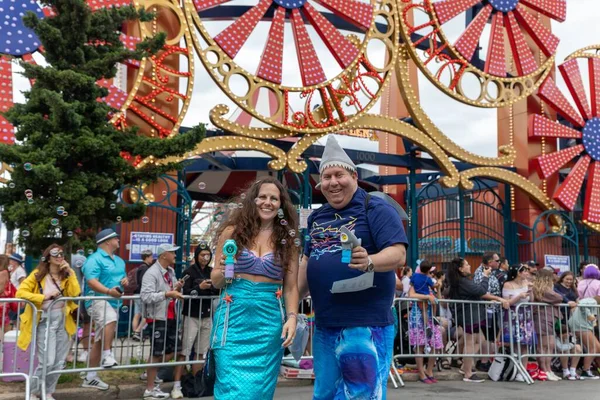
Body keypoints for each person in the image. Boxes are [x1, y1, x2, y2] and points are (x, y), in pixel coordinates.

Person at [297, 136, 407, 399]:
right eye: (326, 177)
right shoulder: (316, 216)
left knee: (361, 394)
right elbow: (306, 261)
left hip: (366, 324)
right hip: (325, 323)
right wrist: (291, 300)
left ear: (354, 176)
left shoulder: (376, 207)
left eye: (339, 175)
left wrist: (370, 261)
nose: (333, 182)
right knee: (325, 393)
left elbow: (398, 253)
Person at [211, 177, 300, 400]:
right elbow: (215, 281)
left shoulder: (288, 242)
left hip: (268, 323)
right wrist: (223, 271)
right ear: (253, 200)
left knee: (259, 391)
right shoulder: (231, 233)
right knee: (229, 388)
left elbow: (290, 288)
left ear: (281, 205)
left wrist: (292, 317)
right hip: (232, 320)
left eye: (274, 198)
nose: (267, 202)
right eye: (262, 197)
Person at [16, 244, 81, 400]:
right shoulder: (38, 274)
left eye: (61, 254)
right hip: (45, 321)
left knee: (59, 362)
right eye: (55, 254)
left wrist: (71, 272)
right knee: (47, 361)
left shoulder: (66, 276)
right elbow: (20, 292)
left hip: (64, 321)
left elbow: (75, 293)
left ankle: (48, 392)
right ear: (48, 258)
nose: (59, 257)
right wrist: (43, 297)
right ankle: (32, 392)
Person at [446, 257, 509, 383]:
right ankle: (468, 373)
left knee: (480, 339)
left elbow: (478, 293)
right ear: (460, 269)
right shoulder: (462, 281)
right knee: (470, 342)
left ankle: (465, 365)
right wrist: (485, 276)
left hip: (472, 313)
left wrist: (496, 299)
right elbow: (480, 290)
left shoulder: (462, 280)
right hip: (468, 314)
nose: (469, 266)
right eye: (467, 264)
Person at [81, 228, 128, 390]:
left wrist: (125, 281)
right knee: (110, 319)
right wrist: (108, 291)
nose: (119, 239)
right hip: (96, 299)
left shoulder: (120, 261)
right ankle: (108, 356)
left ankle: (90, 376)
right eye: (116, 237)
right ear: (108, 241)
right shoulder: (93, 259)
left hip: (114, 302)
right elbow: (91, 281)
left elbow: (122, 278)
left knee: (100, 340)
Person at [140, 243, 185, 400]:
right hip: (157, 317)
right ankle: (150, 389)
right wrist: (167, 294)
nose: (175, 255)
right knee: (157, 353)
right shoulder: (151, 273)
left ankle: (151, 374)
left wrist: (177, 287)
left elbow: (171, 291)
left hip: (170, 317)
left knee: (177, 350)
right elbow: (145, 296)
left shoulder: (170, 271)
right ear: (164, 254)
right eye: (172, 252)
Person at [174, 242, 218, 381]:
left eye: (208, 255)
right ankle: (177, 384)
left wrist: (212, 287)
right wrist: (200, 287)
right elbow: (186, 292)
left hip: (206, 315)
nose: (205, 257)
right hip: (191, 315)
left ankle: (197, 381)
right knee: (184, 351)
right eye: (202, 255)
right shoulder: (189, 272)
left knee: (201, 351)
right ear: (197, 255)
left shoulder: (211, 271)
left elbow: (217, 290)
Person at [532, 268, 576, 381]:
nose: (553, 278)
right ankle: (544, 370)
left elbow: (557, 298)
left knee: (550, 345)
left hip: (551, 318)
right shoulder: (540, 289)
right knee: (543, 346)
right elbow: (558, 297)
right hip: (542, 318)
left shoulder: (547, 288)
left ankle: (549, 369)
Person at [408, 260, 442, 384]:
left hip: (431, 316)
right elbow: (411, 295)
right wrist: (428, 296)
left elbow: (439, 299)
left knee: (435, 342)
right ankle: (422, 373)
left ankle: (429, 371)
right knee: (420, 344)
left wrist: (437, 289)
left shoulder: (416, 277)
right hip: (418, 315)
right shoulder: (426, 280)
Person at [501, 264, 534, 382]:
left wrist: (530, 290)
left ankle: (523, 371)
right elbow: (507, 302)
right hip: (513, 315)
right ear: (518, 273)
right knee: (515, 344)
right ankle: (514, 370)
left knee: (525, 344)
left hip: (526, 315)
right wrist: (519, 296)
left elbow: (532, 300)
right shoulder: (508, 284)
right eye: (524, 271)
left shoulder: (526, 283)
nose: (526, 273)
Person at [472, 252, 501, 372]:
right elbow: (483, 293)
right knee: (486, 336)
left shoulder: (491, 273)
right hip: (485, 310)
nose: (499, 263)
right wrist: (499, 299)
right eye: (497, 260)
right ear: (490, 262)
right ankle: (484, 361)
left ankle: (488, 359)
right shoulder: (481, 273)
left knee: (491, 336)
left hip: (492, 309)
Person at [568, 296, 600, 379]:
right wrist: (590, 316)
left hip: (582, 325)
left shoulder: (592, 301)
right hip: (581, 325)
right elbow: (580, 304)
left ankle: (586, 369)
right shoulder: (592, 301)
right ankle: (586, 370)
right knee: (594, 348)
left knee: (596, 347)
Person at [132, 249, 153, 341]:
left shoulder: (140, 267)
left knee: (137, 314)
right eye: (151, 257)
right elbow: (143, 282)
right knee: (146, 315)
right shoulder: (146, 268)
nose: (152, 259)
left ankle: (135, 333)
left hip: (136, 293)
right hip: (142, 294)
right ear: (147, 257)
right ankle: (137, 331)